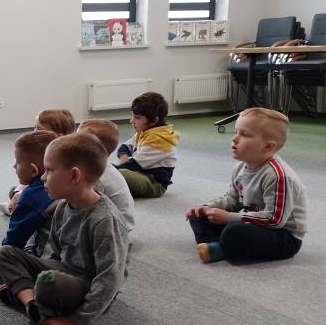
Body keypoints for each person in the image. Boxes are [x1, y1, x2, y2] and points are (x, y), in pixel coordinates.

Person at [0, 133, 130, 325]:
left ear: (74, 176)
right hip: (63, 270)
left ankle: (28, 293)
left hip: (86, 285)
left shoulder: (104, 220)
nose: (42, 177)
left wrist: (79, 320)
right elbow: (54, 253)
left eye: (49, 170)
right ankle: (32, 303)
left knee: (48, 282)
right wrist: (35, 267)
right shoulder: (61, 207)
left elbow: (110, 278)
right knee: (5, 253)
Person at [185, 107, 306, 263]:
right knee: (199, 217)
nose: (234, 138)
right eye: (236, 132)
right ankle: (222, 245)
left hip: (282, 236)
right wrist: (208, 207)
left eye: (244, 134)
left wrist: (229, 217)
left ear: (268, 147)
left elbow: (275, 220)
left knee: (234, 231)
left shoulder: (279, 176)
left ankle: (222, 247)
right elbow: (232, 199)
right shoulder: (240, 168)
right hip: (251, 221)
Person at [0, 130, 56, 275]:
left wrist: (2, 268)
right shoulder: (61, 186)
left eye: (18, 162)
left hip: (48, 260)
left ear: (33, 170)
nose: (14, 166)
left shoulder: (31, 196)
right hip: (68, 258)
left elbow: (14, 240)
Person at [0, 108, 75, 215]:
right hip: (41, 188)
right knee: (14, 190)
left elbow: (43, 185)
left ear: (59, 137)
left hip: (50, 195)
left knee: (20, 194)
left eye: (39, 129)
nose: (34, 132)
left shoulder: (58, 159)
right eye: (34, 127)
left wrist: (21, 194)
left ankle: (15, 210)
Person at [115, 92, 180, 198]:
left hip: (155, 184)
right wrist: (123, 157)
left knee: (118, 174)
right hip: (138, 173)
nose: (131, 121)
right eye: (132, 116)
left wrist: (111, 170)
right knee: (114, 173)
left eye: (137, 117)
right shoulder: (144, 132)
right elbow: (125, 147)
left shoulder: (159, 140)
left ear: (154, 120)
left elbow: (135, 164)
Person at [77, 119, 135, 232]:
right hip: (112, 219)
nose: (73, 143)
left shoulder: (98, 176)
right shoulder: (97, 165)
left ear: (96, 149)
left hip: (116, 227)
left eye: (80, 140)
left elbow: (85, 204)